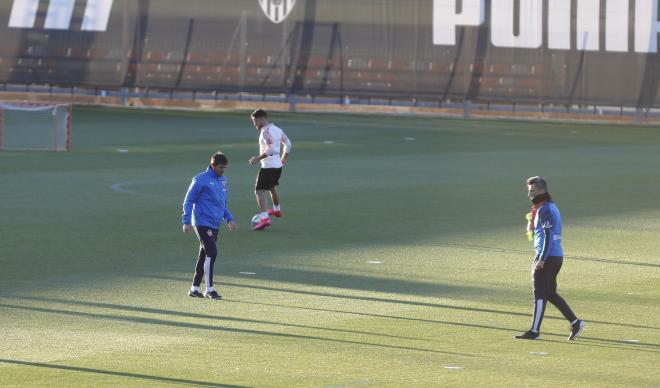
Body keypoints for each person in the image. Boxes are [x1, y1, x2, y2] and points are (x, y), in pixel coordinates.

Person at [515, 176, 585, 340]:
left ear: (541, 191)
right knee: (550, 293)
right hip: (556, 255)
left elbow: (547, 234)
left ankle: (534, 331)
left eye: (532, 191)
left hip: (547, 256)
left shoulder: (545, 209)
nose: (529, 195)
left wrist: (541, 259)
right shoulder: (549, 207)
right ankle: (576, 323)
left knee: (539, 294)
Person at [182, 152, 237, 300]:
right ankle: (209, 289)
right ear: (212, 165)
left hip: (215, 223)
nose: (223, 170)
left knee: (204, 255)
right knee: (212, 252)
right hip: (201, 222)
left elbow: (222, 203)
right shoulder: (200, 180)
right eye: (220, 167)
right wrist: (186, 221)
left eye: (224, 168)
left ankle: (194, 288)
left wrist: (229, 219)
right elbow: (188, 201)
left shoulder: (223, 180)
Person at [248, 109, 292, 230]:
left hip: (268, 166)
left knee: (259, 191)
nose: (254, 124)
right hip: (278, 166)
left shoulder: (265, 132)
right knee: (272, 187)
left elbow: (272, 149)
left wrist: (257, 158)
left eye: (255, 121)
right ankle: (277, 210)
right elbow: (288, 144)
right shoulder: (277, 129)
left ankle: (265, 218)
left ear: (261, 119)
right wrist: (283, 159)